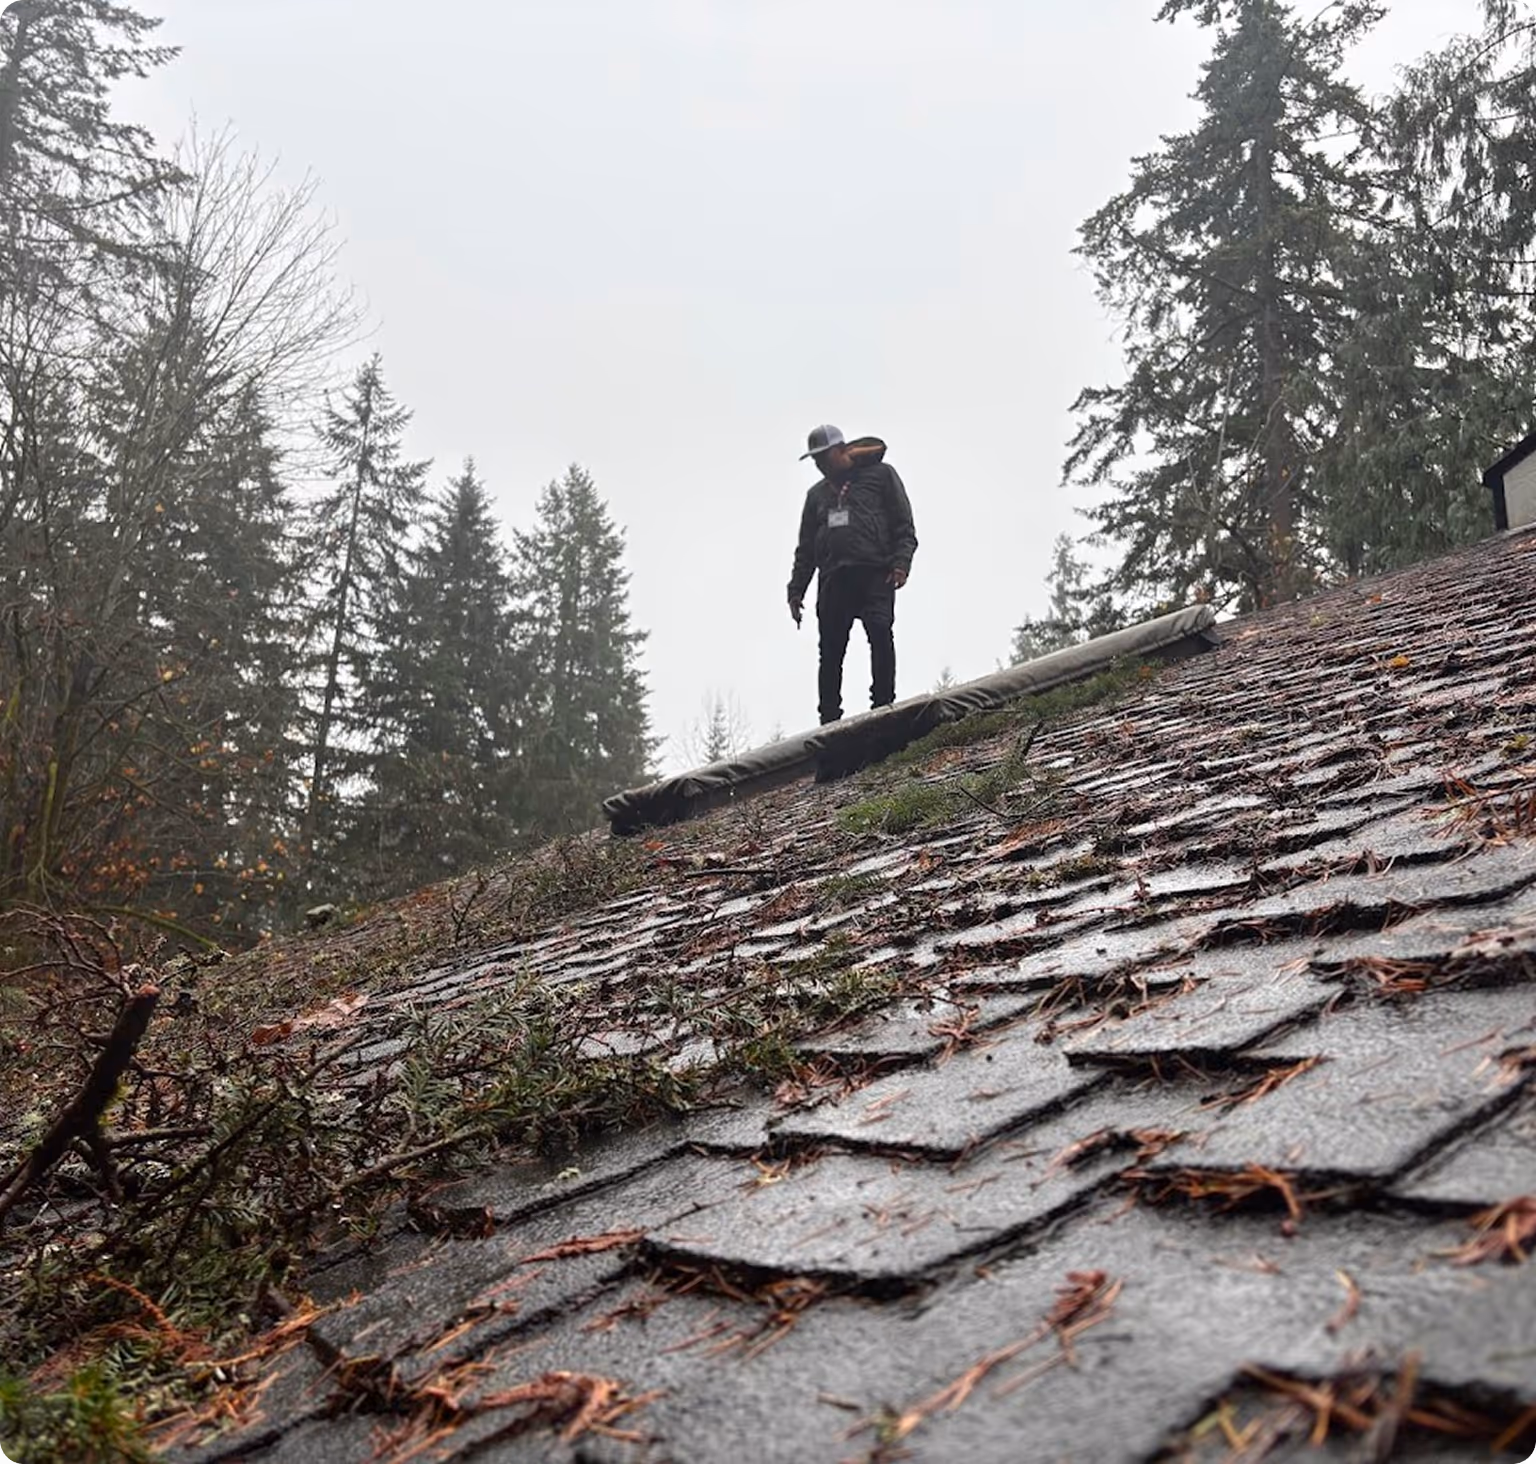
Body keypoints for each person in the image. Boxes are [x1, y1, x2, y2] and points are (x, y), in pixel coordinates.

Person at [787, 424, 918, 725]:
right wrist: (796, 591)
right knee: (830, 655)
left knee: (880, 634)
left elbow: (904, 525)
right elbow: (805, 549)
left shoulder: (881, 476)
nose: (820, 465)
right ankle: (829, 722)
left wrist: (901, 563)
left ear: (841, 450)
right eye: (815, 460)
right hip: (833, 580)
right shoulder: (816, 495)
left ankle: (884, 709)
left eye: (823, 457)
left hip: (876, 574)